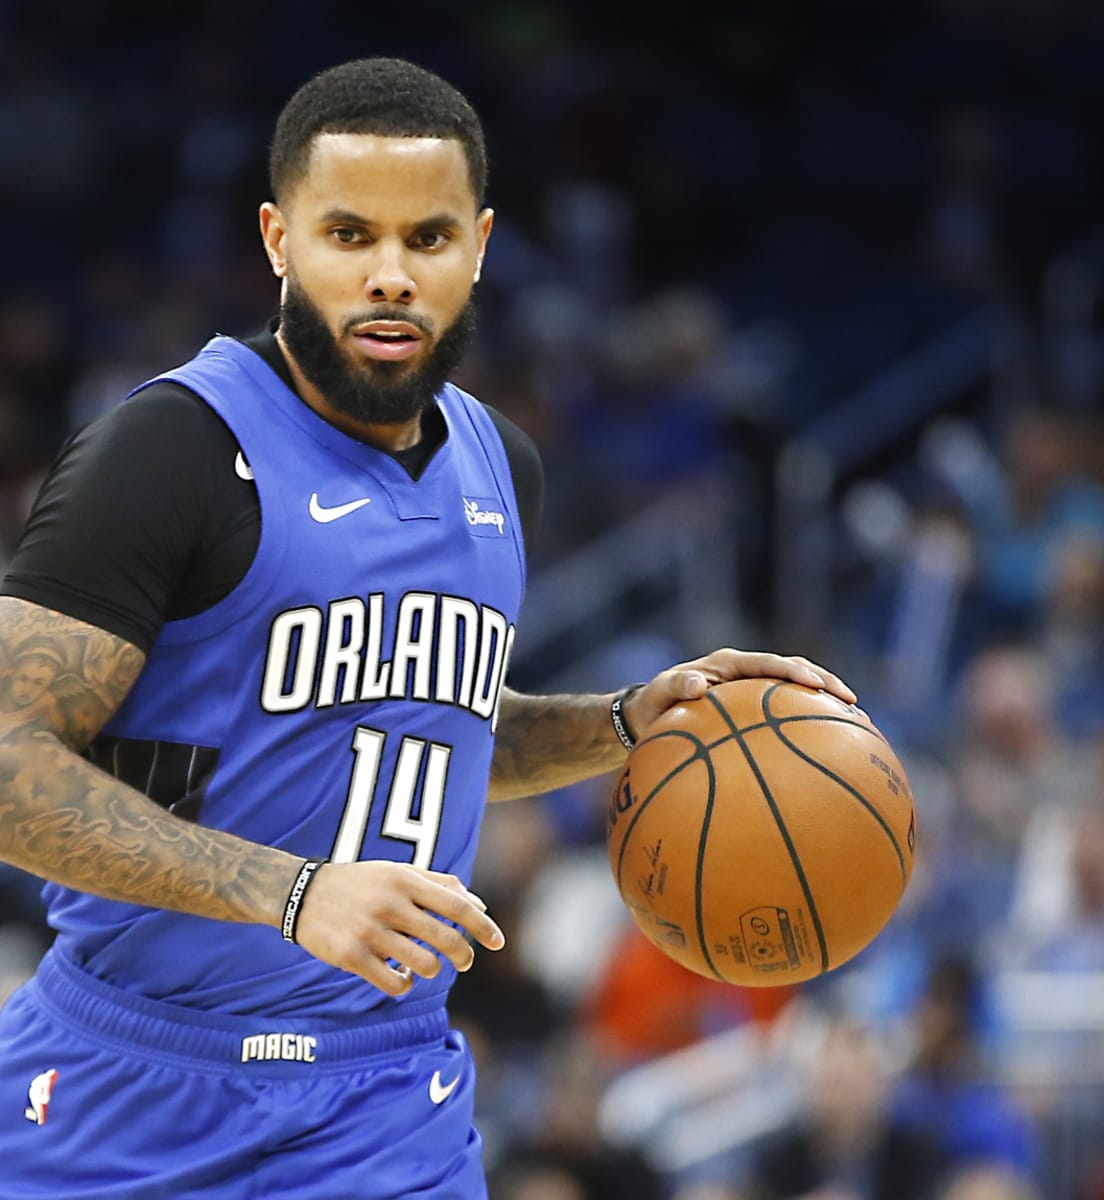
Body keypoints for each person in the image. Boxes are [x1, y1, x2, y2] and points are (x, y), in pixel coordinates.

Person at [0, 56, 855, 1199]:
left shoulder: (504, 467)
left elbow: (418, 730)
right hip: (135, 1079)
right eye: (349, 235)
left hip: (385, 1098)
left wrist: (622, 724)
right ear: (278, 240)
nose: (391, 276)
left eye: (429, 237)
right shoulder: (172, 451)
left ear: (480, 245)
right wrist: (293, 893)